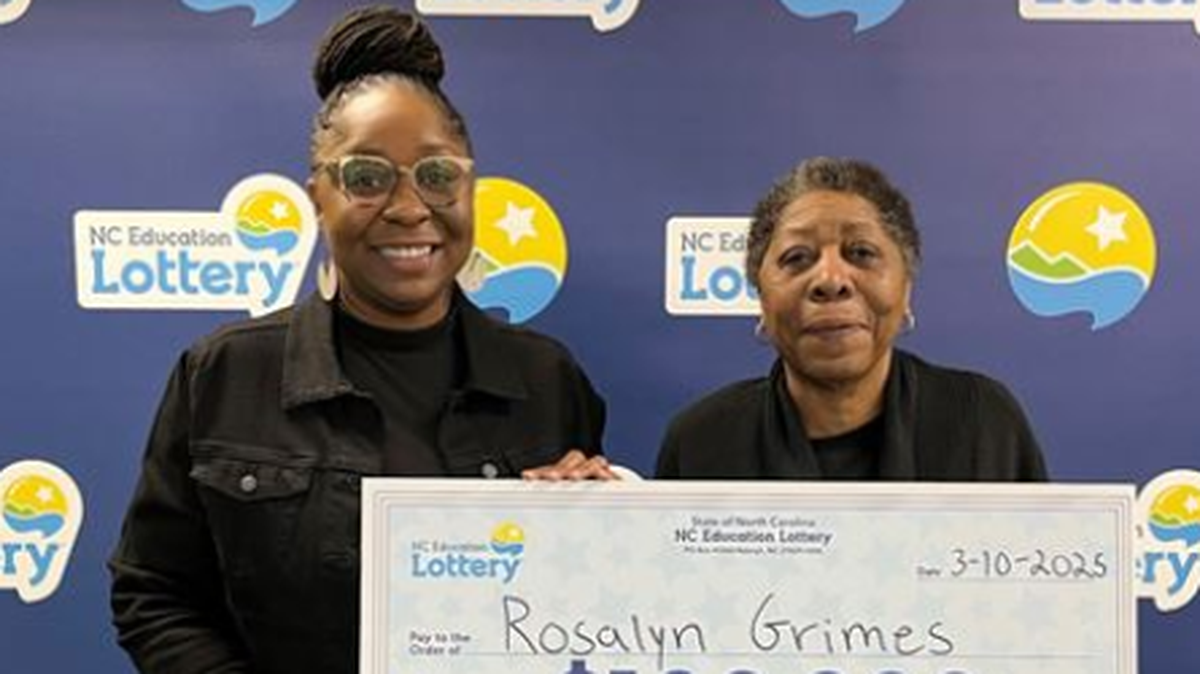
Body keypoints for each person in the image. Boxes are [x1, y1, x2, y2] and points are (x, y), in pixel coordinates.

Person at [109, 7, 612, 674]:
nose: (408, 208)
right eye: (367, 178)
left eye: (437, 176)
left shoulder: (547, 381)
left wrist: (592, 529)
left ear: (470, 190)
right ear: (317, 198)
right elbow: (155, 591)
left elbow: (576, 613)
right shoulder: (224, 374)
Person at [656, 157, 1047, 480]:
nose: (830, 280)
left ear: (906, 289)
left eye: (861, 252)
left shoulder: (983, 423)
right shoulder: (702, 443)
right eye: (797, 257)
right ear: (761, 296)